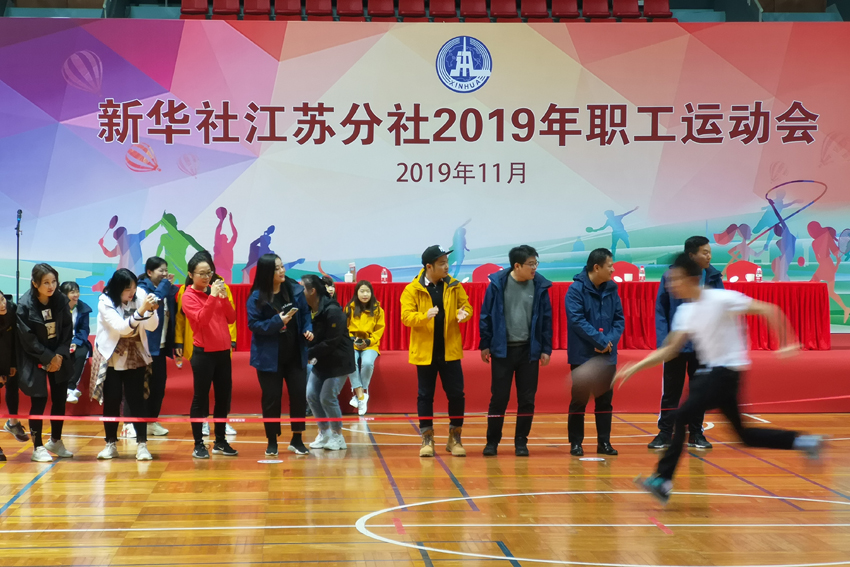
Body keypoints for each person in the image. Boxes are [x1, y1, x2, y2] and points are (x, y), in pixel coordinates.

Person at [615, 252, 823, 503]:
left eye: (676, 279)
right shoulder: (685, 312)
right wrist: (635, 367)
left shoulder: (722, 299)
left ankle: (663, 479)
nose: (671, 285)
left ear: (692, 278)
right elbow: (670, 350)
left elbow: (769, 309)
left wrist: (787, 342)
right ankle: (804, 442)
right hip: (714, 373)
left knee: (681, 416)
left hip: (726, 373)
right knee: (744, 435)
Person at [650, 236, 723, 450]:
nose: (709, 256)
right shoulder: (672, 277)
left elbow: (720, 311)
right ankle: (665, 433)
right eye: (705, 252)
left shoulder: (713, 277)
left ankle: (696, 433)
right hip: (676, 345)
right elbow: (661, 310)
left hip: (703, 346)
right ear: (691, 255)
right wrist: (664, 343)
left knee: (699, 391)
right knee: (671, 391)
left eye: (710, 252)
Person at [479, 245, 553, 457]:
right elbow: (486, 315)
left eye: (536, 263)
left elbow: (546, 319)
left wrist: (546, 348)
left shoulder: (539, 285)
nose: (534, 268)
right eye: (531, 264)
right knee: (499, 398)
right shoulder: (498, 284)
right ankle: (492, 442)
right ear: (517, 265)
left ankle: (521, 442)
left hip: (529, 351)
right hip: (502, 351)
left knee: (527, 400)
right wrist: (485, 344)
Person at [400, 245, 473, 458]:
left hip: (450, 350)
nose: (446, 267)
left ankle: (455, 437)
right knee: (425, 396)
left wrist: (463, 314)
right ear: (429, 266)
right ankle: (427, 438)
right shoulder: (412, 289)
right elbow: (406, 317)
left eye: (447, 263)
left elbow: (467, 307)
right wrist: (425, 316)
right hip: (426, 352)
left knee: (456, 395)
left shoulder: (454, 285)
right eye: (441, 264)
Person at [246, 254, 313, 457]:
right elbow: (254, 325)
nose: (282, 271)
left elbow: (305, 313)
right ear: (267, 272)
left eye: (282, 266)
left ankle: (297, 439)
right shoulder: (256, 297)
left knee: (299, 396)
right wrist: (278, 321)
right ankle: (272, 441)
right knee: (271, 399)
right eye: (277, 268)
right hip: (269, 358)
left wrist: (308, 329)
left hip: (295, 355)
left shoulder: (294, 290)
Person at [92, 269, 159, 461]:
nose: (132, 292)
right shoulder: (105, 301)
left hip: (134, 353)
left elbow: (152, 326)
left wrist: (151, 310)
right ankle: (110, 444)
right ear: (117, 288)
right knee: (111, 400)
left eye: (134, 288)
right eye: (127, 289)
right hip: (111, 355)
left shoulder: (141, 296)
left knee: (136, 400)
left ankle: (142, 445)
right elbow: (121, 328)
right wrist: (142, 311)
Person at [565, 249, 624, 457]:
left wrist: (608, 342)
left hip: (607, 355)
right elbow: (577, 320)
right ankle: (576, 443)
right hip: (583, 355)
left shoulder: (612, 289)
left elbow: (619, 320)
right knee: (579, 400)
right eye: (610, 265)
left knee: (605, 400)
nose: (613, 269)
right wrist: (599, 341)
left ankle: (604, 442)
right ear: (597, 267)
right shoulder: (575, 290)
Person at [174, 250, 238, 437]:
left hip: (223, 351)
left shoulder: (217, 290)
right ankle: (199, 442)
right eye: (201, 273)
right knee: (200, 398)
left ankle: (220, 441)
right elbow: (202, 319)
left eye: (209, 273)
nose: (206, 277)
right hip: (203, 353)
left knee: (222, 397)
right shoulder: (188, 295)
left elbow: (231, 318)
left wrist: (223, 298)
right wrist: (213, 297)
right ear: (191, 274)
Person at [15, 263, 74, 462]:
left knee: (60, 399)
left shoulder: (61, 300)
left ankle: (56, 440)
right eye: (46, 283)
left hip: (58, 355)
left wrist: (59, 355)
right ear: (35, 284)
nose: (51, 286)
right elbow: (28, 339)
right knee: (39, 400)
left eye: (54, 281)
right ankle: (37, 446)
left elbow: (67, 330)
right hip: (35, 357)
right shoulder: (25, 305)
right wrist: (48, 357)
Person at [303, 274, 354, 451]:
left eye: (303, 288)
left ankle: (338, 436)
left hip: (339, 361)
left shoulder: (333, 310)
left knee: (327, 397)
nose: (300, 292)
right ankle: (324, 433)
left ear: (312, 291)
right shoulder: (308, 309)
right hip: (322, 360)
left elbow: (332, 341)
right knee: (311, 394)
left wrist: (307, 353)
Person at [137, 257, 179, 436]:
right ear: (149, 272)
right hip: (145, 346)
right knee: (141, 387)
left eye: (166, 270)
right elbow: (155, 299)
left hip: (161, 346)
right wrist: (165, 285)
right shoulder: (142, 289)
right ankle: (133, 423)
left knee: (158, 386)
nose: (164, 273)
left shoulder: (164, 288)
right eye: (161, 270)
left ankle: (151, 421)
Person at [345, 280, 385, 416]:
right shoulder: (349, 308)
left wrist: (368, 341)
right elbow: (344, 328)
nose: (365, 294)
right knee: (350, 360)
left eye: (368, 291)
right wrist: (353, 339)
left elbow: (379, 330)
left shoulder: (378, 310)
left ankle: (360, 394)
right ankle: (362, 395)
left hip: (370, 344)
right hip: (353, 343)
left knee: (367, 363)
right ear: (356, 293)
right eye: (362, 291)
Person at [61, 282, 92, 405]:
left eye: (77, 291)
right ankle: (67, 389)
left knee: (81, 353)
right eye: (72, 292)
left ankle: (71, 388)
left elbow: (84, 330)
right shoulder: (58, 309)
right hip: (62, 340)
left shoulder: (83, 309)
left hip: (77, 339)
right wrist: (66, 342)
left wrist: (75, 342)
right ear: (64, 294)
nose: (76, 295)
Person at [1, 290, 20, 460]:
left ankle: (13, 422)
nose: (2, 305)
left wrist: (12, 363)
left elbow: (15, 340)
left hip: (8, 357)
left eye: (2, 300)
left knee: (13, 385)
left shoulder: (12, 310)